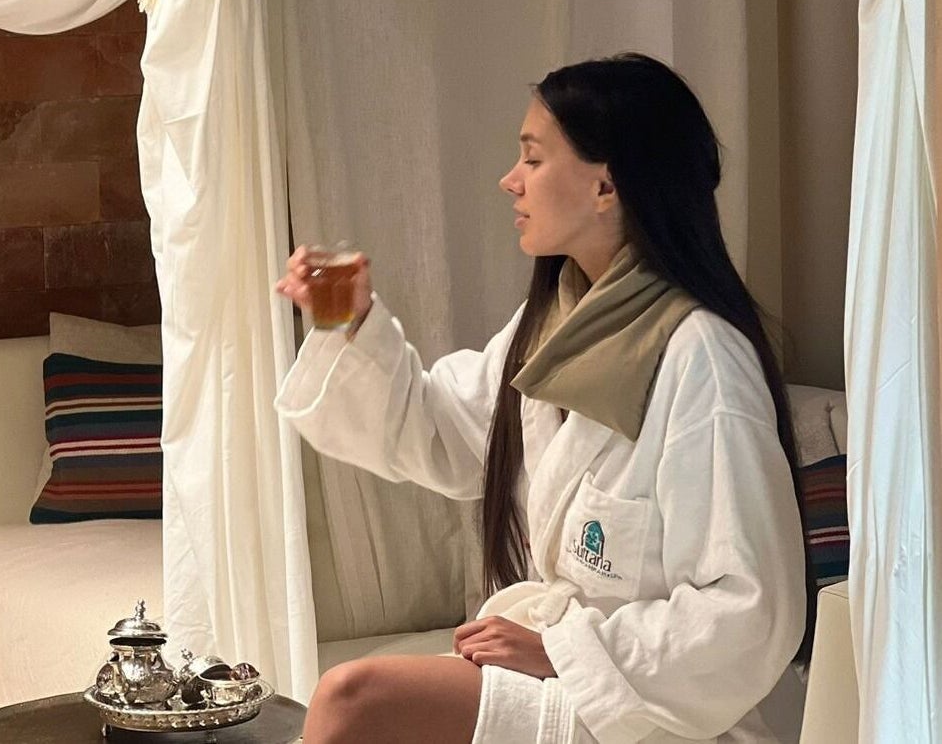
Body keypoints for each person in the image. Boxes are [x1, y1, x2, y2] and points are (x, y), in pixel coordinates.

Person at [273, 53, 811, 744]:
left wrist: (564, 651)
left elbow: (750, 608)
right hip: (574, 682)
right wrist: (347, 320)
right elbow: (434, 431)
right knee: (361, 704)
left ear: (605, 185)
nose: (510, 181)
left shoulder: (701, 357)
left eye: (532, 158)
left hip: (651, 711)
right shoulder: (553, 330)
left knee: (354, 695)